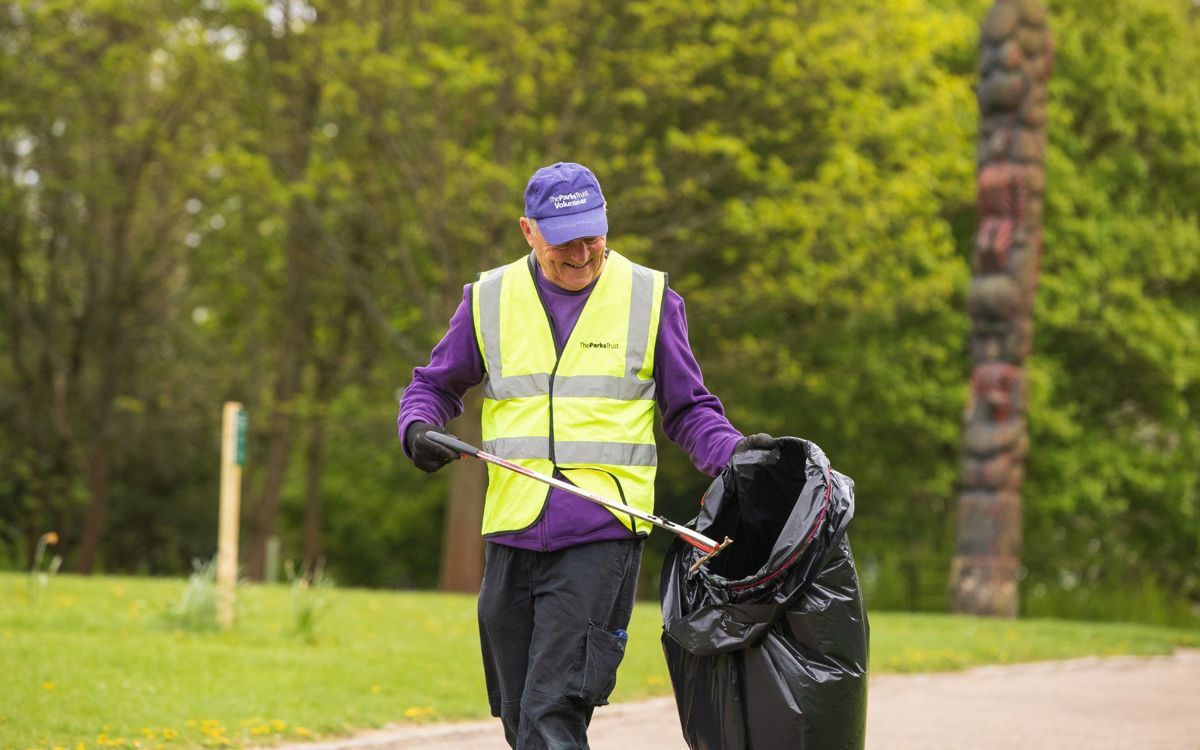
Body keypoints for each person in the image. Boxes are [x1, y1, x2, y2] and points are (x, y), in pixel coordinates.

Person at [397, 161, 775, 749]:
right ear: (528, 232)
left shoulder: (649, 298)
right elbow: (433, 385)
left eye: (592, 239)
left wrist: (733, 454)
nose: (581, 254)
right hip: (511, 529)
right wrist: (417, 426)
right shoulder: (488, 297)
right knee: (520, 715)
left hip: (601, 531)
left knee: (553, 711)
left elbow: (689, 408)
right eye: (564, 241)